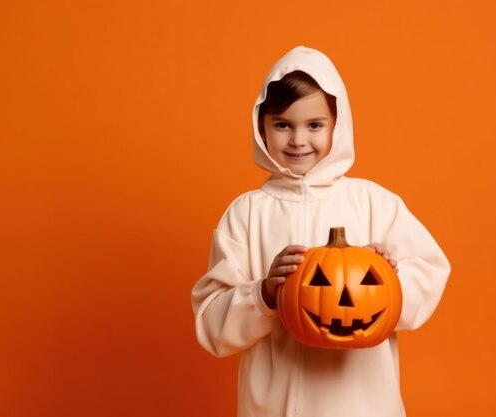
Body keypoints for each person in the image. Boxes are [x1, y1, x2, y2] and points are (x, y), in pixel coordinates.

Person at [192, 46, 451, 417]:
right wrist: (263, 293)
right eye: (283, 125)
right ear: (261, 127)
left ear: (338, 126)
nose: (298, 140)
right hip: (273, 408)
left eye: (314, 125)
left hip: (364, 407)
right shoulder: (246, 214)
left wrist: (387, 278)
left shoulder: (375, 203)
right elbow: (213, 327)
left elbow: (427, 279)